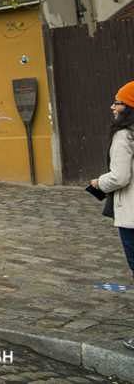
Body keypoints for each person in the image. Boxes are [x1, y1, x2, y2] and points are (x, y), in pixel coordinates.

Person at [90, 80, 134, 352]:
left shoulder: (124, 136)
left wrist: (98, 183)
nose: (113, 107)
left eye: (117, 102)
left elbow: (119, 176)